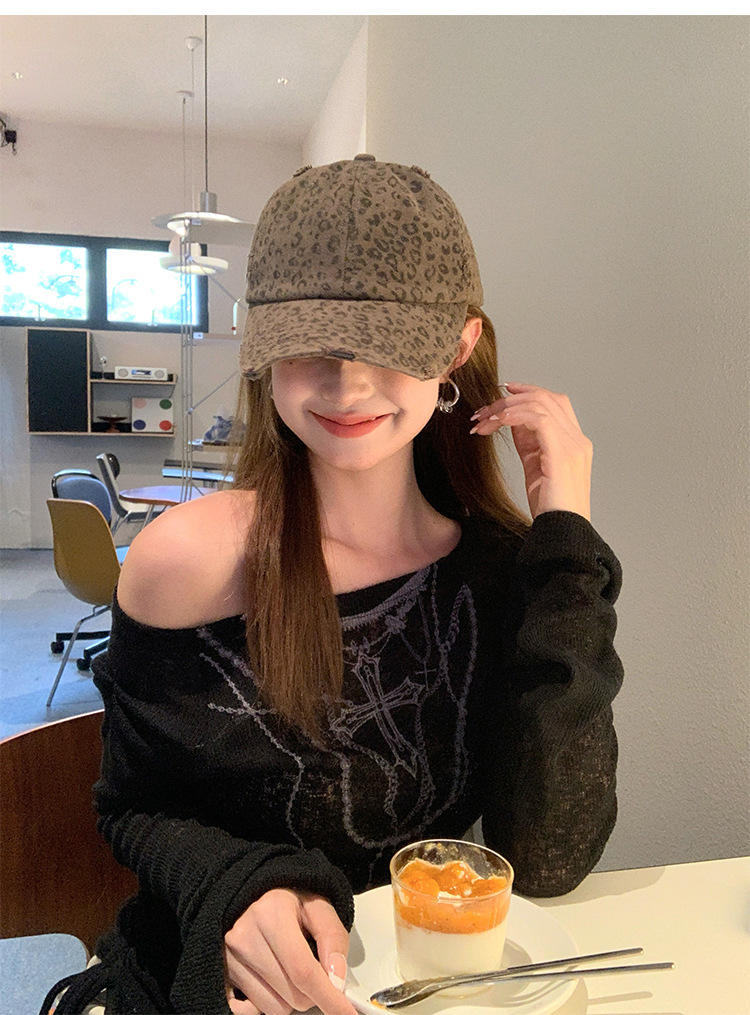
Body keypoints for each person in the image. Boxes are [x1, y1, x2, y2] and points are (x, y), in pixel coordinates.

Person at [45, 156, 623, 1015]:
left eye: (388, 343)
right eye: (310, 340)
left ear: (457, 348)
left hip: (420, 989)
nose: (348, 383)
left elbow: (547, 854)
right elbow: (133, 806)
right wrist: (236, 885)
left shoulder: (501, 570)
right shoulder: (186, 562)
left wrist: (566, 539)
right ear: (261, 347)